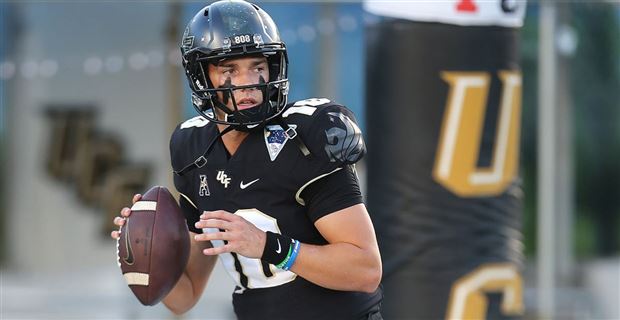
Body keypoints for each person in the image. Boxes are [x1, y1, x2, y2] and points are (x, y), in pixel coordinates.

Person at [111, 1, 383, 319]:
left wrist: (267, 245)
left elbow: (365, 271)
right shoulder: (192, 147)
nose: (249, 82)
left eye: (257, 66)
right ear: (202, 77)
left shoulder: (307, 135)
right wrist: (144, 256)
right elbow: (185, 297)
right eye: (230, 70)